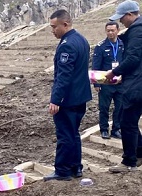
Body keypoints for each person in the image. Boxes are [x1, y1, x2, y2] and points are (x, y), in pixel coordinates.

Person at [44, 10, 92, 181]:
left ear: (65, 24)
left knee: (65, 134)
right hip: (80, 96)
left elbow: (64, 76)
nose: (52, 31)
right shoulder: (82, 40)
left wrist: (55, 99)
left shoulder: (67, 45)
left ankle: (63, 170)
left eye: (54, 27)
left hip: (68, 99)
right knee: (74, 133)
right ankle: (76, 167)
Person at [105, 0, 142, 172]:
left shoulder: (137, 30)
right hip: (136, 81)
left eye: (122, 18)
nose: (121, 22)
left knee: (127, 122)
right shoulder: (137, 30)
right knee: (131, 121)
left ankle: (129, 162)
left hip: (136, 85)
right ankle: (139, 154)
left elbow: (133, 58)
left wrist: (115, 72)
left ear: (130, 15)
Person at [92, 21, 124, 140]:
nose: (110, 33)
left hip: (120, 82)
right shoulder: (101, 47)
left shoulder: (122, 44)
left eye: (112, 30)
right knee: (104, 107)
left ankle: (116, 129)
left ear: (117, 30)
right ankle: (104, 129)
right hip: (105, 83)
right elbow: (96, 65)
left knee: (119, 107)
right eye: (108, 30)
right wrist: (96, 83)